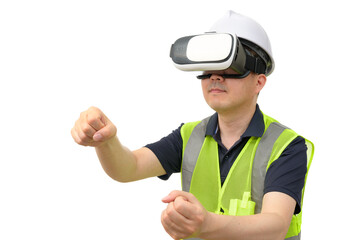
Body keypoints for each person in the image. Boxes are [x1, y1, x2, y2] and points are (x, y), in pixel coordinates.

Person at [71, 10, 314, 240]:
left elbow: (276, 226)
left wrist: (206, 224)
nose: (215, 76)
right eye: (209, 67)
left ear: (259, 81)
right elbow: (128, 168)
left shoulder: (286, 146)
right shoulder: (189, 136)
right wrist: (106, 141)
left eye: (233, 67)